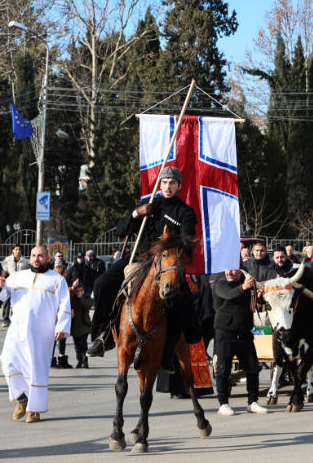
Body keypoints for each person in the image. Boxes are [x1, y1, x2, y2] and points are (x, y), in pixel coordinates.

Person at [87, 165, 199, 367]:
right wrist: (136, 213)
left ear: (179, 186)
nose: (167, 186)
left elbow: (186, 241)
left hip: (166, 263)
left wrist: (167, 243)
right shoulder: (149, 205)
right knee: (102, 284)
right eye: (164, 182)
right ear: (160, 184)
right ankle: (102, 337)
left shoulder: (186, 213)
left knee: (180, 303)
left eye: (172, 183)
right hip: (138, 258)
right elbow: (121, 231)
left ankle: (168, 353)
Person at [0, 245, 71, 423]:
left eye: (41, 256)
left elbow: (64, 305)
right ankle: (21, 399)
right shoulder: (17, 277)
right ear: (30, 257)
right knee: (7, 361)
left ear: (48, 257)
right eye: (34, 255)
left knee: (36, 370)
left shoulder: (57, 280)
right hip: (17, 330)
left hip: (42, 333)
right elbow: (2, 296)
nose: (37, 259)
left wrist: (62, 327)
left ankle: (34, 410)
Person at [212, 267, 268, 415]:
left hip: (244, 332)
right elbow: (229, 295)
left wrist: (260, 295)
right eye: (227, 270)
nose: (230, 273)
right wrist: (244, 287)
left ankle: (253, 402)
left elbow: (256, 302)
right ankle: (223, 403)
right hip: (225, 331)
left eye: (234, 270)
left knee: (252, 367)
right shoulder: (220, 283)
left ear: (240, 271)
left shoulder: (248, 284)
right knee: (223, 368)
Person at [1, 244, 26, 327]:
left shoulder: (25, 261)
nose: (18, 251)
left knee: (17, 301)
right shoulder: (7, 260)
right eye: (16, 249)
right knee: (6, 301)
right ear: (13, 250)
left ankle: (14, 318)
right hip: (9, 283)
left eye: (19, 249)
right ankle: (5, 319)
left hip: (20, 284)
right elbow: (4, 271)